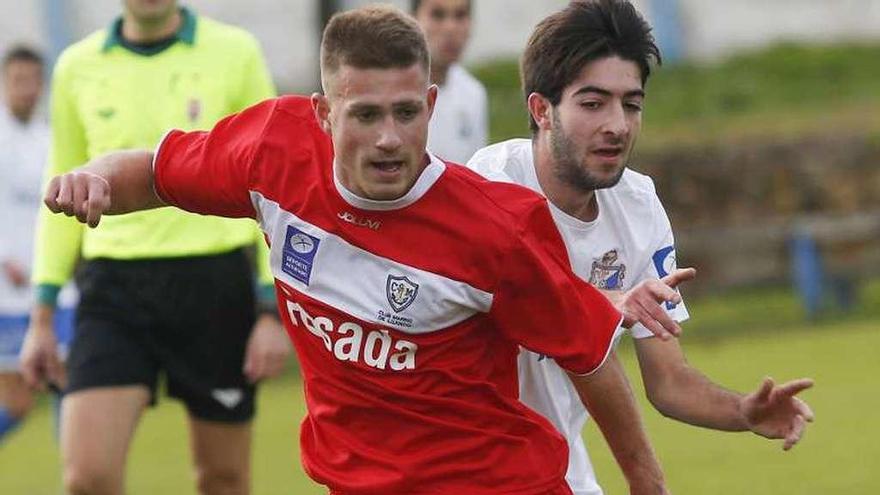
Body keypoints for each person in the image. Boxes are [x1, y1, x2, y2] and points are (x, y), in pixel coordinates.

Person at [35, 5, 674, 494]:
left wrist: (647, 483)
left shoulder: (497, 228)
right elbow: (154, 172)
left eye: (406, 113)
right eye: (366, 115)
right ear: (322, 112)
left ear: (431, 105)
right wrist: (94, 178)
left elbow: (588, 353)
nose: (390, 138)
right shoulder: (273, 152)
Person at [466, 1, 816, 494]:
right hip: (462, 466)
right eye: (593, 104)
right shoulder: (489, 188)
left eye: (631, 104)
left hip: (558, 468)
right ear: (541, 110)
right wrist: (608, 304)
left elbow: (667, 378)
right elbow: (543, 308)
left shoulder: (639, 206)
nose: (618, 125)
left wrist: (741, 410)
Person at [19, 1, 290, 494]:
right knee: (87, 477)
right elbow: (58, 187)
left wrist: (270, 309)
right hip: (113, 288)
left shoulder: (235, 51)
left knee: (223, 479)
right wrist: (42, 315)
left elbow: (269, 179)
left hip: (214, 285)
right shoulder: (78, 65)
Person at [0, 45, 73, 444]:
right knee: (16, 403)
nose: (26, 89)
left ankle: (79, 474)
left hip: (55, 285)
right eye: (17, 81)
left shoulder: (51, 138)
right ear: (4, 83)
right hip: (7, 293)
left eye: (33, 81)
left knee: (70, 380)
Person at [412, 0, 487, 163]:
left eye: (460, 16)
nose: (450, 28)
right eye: (437, 15)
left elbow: (474, 172)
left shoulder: (474, 93)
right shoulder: (396, 91)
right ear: (413, 21)